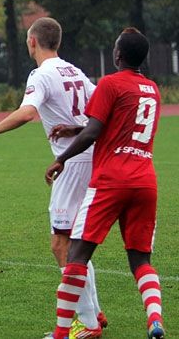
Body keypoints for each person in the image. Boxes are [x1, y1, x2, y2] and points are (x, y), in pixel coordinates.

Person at [0, 17, 106, 336]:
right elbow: (100, 110)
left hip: (72, 165)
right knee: (76, 243)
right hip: (92, 157)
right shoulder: (74, 70)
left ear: (32, 42)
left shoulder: (41, 73)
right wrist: (76, 127)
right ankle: (94, 314)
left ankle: (87, 323)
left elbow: (28, 111)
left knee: (61, 244)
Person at [44, 28, 164, 339]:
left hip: (111, 180)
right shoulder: (152, 89)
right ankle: (154, 320)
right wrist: (74, 129)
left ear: (118, 55)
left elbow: (93, 131)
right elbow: (113, 124)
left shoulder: (110, 83)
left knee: (76, 256)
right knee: (140, 259)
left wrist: (62, 159)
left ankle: (60, 333)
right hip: (145, 180)